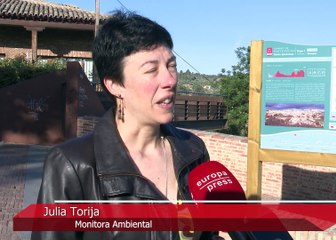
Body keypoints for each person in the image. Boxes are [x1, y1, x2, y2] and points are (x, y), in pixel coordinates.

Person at [31, 10, 215, 240]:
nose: (170, 80)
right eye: (151, 70)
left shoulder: (193, 152)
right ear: (114, 84)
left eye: (171, 66)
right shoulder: (73, 166)